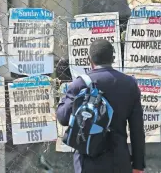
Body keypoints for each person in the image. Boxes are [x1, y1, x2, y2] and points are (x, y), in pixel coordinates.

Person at [56, 39, 145, 173]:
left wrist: (64, 97)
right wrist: (138, 165)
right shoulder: (129, 84)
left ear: (89, 60)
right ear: (113, 59)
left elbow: (63, 118)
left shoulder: (80, 84)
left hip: (86, 162)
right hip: (119, 161)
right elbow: (137, 128)